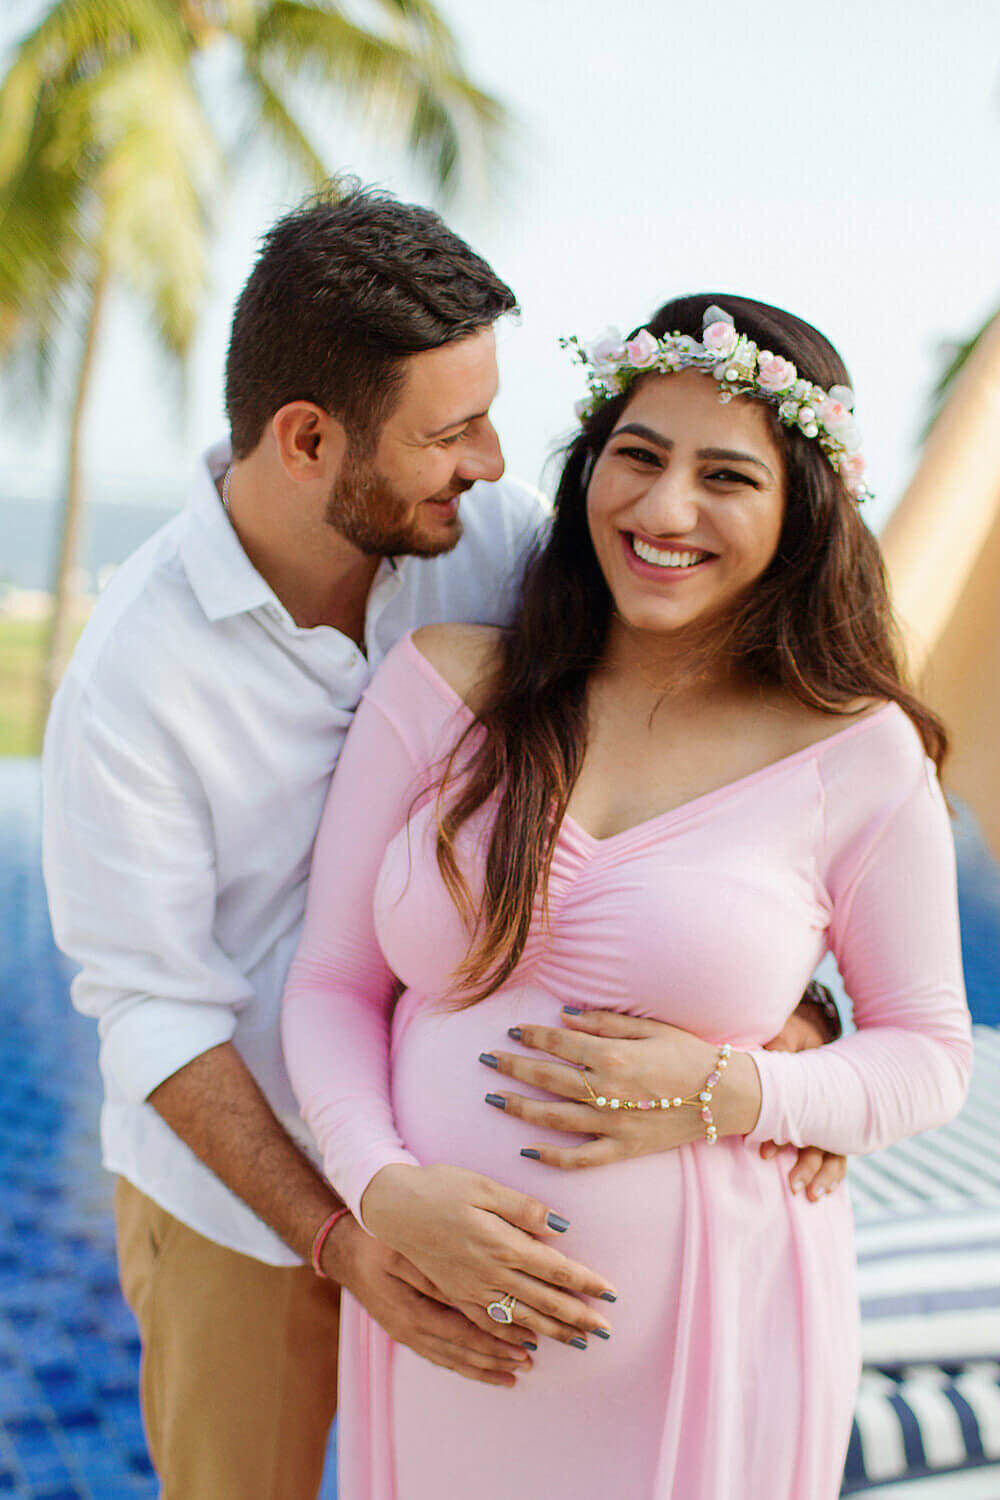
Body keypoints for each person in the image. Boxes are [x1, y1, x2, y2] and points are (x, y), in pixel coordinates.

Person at [40, 188, 835, 1500]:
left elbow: (699, 755)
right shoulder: (137, 678)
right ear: (308, 440)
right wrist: (346, 1242)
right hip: (250, 1214)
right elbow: (154, 1016)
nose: (489, 457)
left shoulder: (497, 548)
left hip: (499, 1207)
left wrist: (793, 1007)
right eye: (451, 430)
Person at [281, 294, 973, 1500]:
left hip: (716, 1350)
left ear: (800, 511)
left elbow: (930, 1058)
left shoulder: (856, 756)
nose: (663, 510)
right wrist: (383, 1189)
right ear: (587, 470)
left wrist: (736, 1090)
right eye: (637, 457)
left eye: (725, 476)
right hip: (447, 1327)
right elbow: (334, 984)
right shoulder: (444, 690)